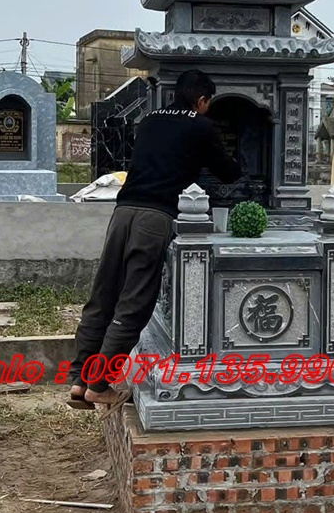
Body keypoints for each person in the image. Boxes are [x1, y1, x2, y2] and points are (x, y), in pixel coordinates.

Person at [67, 69, 241, 409]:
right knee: (134, 304)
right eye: (208, 102)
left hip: (123, 212)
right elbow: (228, 172)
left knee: (103, 296)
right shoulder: (201, 126)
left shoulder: (148, 121)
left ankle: (78, 380)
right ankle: (98, 385)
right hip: (155, 217)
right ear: (201, 100)